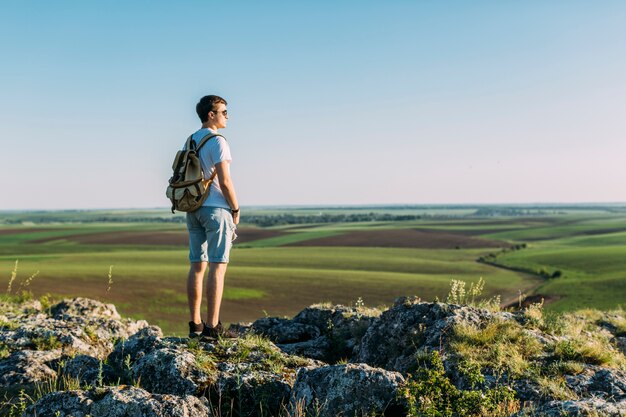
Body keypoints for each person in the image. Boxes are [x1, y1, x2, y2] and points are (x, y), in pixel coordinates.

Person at [186, 95, 239, 339]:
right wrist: (235, 208)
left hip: (193, 208)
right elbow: (225, 182)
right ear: (211, 114)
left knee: (197, 266)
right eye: (224, 112)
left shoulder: (191, 140)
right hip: (216, 209)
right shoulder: (218, 141)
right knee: (218, 267)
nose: (227, 116)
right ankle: (213, 327)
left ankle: (195, 326)